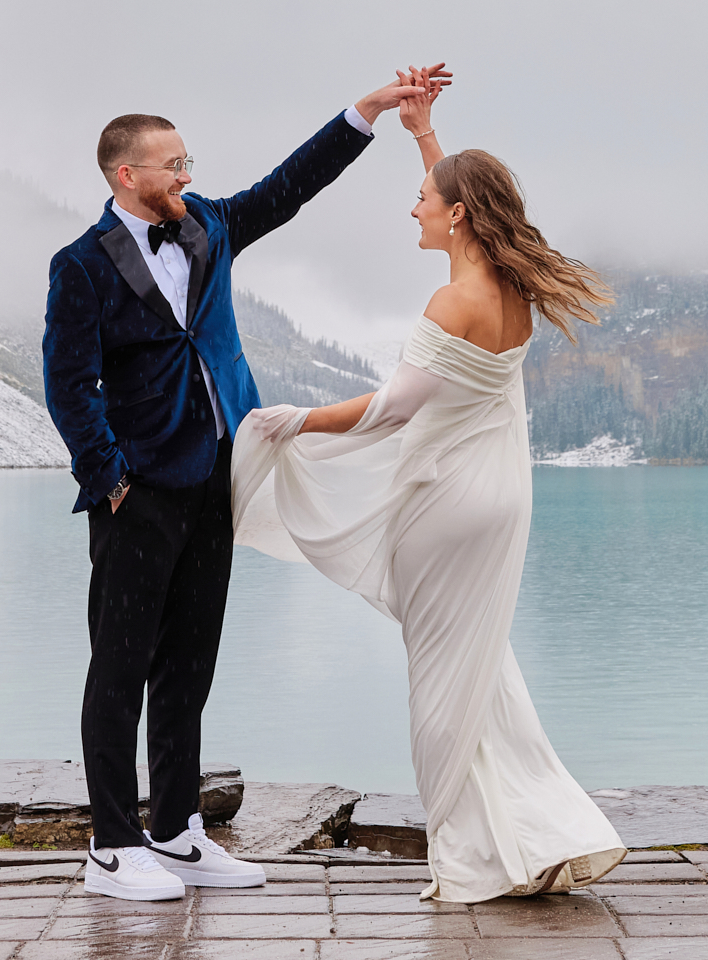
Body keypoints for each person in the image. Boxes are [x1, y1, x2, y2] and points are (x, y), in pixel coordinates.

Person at [44, 66, 449, 903]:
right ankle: (112, 844)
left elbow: (289, 187)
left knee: (190, 664)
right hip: (137, 491)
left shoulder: (212, 227)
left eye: (189, 159)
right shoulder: (80, 265)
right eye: (172, 164)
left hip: (220, 476)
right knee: (119, 668)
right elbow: (67, 382)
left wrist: (366, 111)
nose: (187, 175)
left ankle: (178, 832)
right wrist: (109, 476)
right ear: (128, 176)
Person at [232, 83, 625, 904]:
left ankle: (472, 860)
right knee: (483, 674)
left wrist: (294, 421)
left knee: (442, 687)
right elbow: (460, 197)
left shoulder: (451, 301)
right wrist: (423, 133)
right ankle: (541, 838)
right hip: (501, 498)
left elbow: (389, 412)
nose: (412, 210)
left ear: (455, 216)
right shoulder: (509, 289)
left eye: (421, 200)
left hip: (448, 506)